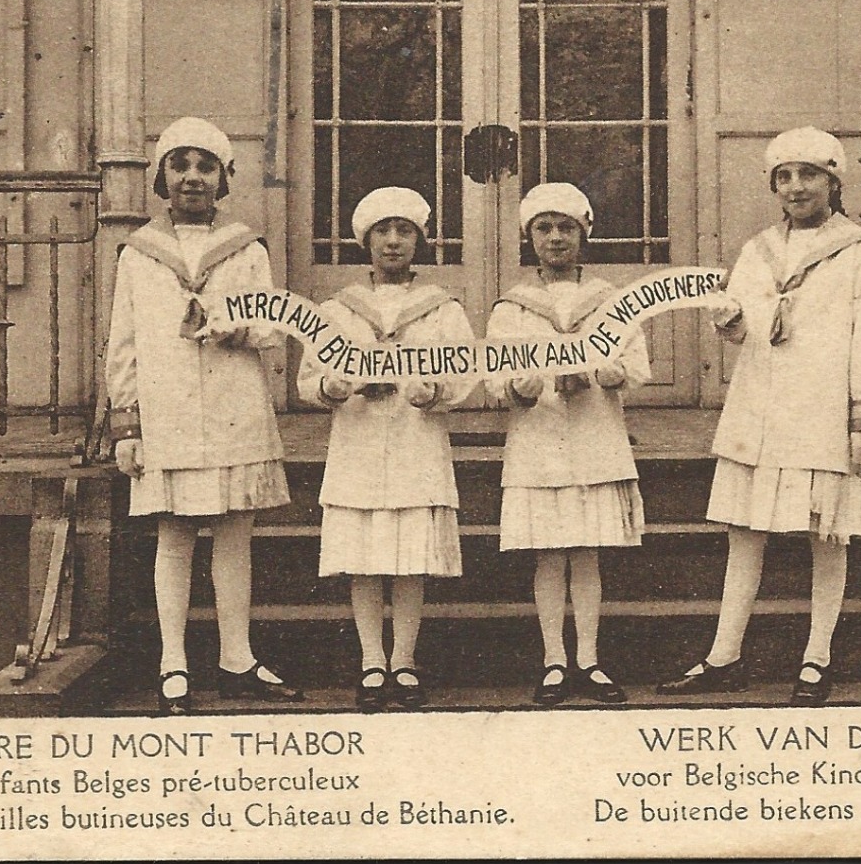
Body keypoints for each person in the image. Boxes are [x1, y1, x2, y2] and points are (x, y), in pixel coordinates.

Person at [658, 127, 861, 707]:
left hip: (823, 413)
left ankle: (817, 659)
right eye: (784, 177)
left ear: (832, 182)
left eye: (808, 175)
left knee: (828, 533)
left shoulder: (857, 252)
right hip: (760, 411)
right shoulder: (756, 250)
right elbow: (744, 328)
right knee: (745, 532)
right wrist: (731, 321)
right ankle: (724, 656)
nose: (795, 187)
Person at [106, 117, 304, 715]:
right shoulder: (140, 253)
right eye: (180, 165)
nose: (192, 177)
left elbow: (273, 327)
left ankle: (236, 657)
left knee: (235, 534)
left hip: (234, 407)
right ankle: (173, 661)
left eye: (206, 167)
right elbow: (124, 342)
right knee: (174, 533)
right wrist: (127, 423)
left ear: (225, 179)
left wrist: (230, 326)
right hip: (167, 412)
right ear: (161, 178)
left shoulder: (245, 248)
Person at [298, 187, 477, 712]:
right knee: (365, 557)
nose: (393, 242)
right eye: (383, 232)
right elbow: (313, 377)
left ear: (419, 240)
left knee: (408, 557)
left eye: (404, 232)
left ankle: (405, 659)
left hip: (414, 440)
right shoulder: (337, 310)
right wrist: (338, 386)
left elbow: (465, 371)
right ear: (366, 242)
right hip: (358, 442)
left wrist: (435, 391)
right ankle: (371, 661)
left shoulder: (441, 309)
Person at [488, 183, 650, 706]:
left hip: (594, 439)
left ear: (584, 233)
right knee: (549, 556)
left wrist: (609, 373)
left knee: (586, 554)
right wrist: (518, 387)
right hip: (539, 443)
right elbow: (494, 377)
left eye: (566, 228)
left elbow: (638, 366)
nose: (555, 238)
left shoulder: (613, 302)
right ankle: (553, 659)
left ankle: (590, 659)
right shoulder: (511, 308)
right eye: (544, 228)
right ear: (528, 237)